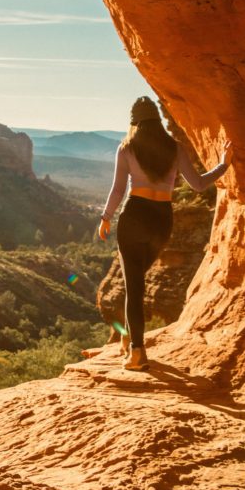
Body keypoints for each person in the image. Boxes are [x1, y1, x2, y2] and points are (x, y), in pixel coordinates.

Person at [98, 97, 232, 371]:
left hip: (133, 215)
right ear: (157, 120)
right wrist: (223, 164)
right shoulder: (175, 147)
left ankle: (136, 351)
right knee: (136, 281)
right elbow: (197, 184)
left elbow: (118, 190)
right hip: (161, 219)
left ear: (134, 122)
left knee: (133, 286)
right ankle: (128, 341)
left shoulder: (126, 148)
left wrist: (105, 218)